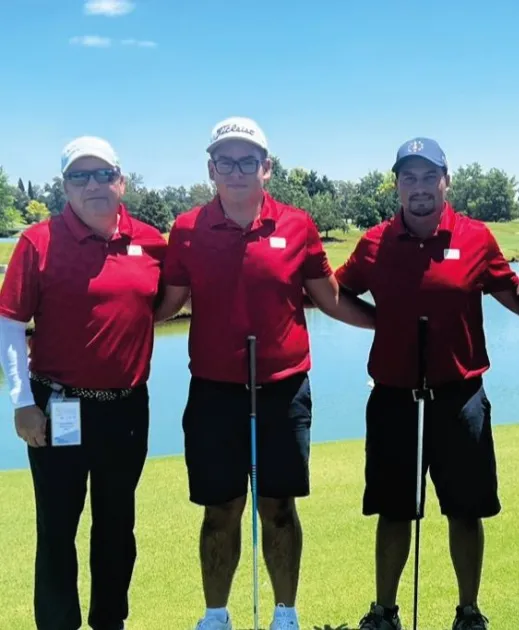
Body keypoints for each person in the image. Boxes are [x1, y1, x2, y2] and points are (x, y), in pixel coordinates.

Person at [154, 117, 376, 630]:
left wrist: (387, 325)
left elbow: (330, 299)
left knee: (278, 506)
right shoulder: (187, 230)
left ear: (266, 167)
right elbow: (168, 304)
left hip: (283, 390)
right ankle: (215, 616)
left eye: (247, 161)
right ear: (211, 169)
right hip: (214, 393)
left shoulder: (297, 225)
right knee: (220, 509)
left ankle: (285, 615)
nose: (237, 171)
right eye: (226, 161)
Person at [334, 137, 519, 630]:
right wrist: (379, 322)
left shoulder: (476, 237)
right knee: (393, 511)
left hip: (460, 397)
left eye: (428, 177)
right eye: (409, 178)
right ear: (397, 185)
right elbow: (334, 293)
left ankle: (469, 612)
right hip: (394, 397)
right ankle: (384, 612)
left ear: (446, 181)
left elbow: (514, 296)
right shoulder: (374, 243)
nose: (418, 187)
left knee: (465, 510)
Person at [0, 136, 167, 630]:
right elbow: (10, 324)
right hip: (57, 408)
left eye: (103, 174)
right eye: (79, 176)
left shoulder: (150, 241)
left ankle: (109, 622)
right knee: (57, 529)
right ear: (65, 186)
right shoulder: (39, 242)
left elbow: (160, 304)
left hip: (126, 409)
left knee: (117, 527)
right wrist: (21, 402)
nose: (93, 184)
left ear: (121, 181)